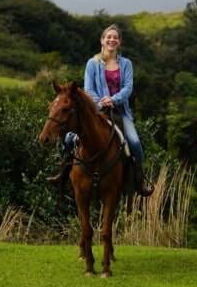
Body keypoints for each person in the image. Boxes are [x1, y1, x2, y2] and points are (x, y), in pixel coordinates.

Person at [46, 24, 154, 196]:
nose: (112, 39)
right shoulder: (92, 63)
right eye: (108, 37)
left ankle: (139, 181)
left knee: (134, 143)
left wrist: (113, 99)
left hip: (120, 111)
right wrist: (101, 102)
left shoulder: (126, 64)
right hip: (95, 111)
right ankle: (64, 173)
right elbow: (88, 89)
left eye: (115, 37)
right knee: (68, 139)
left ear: (119, 42)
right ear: (102, 40)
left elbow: (128, 87)